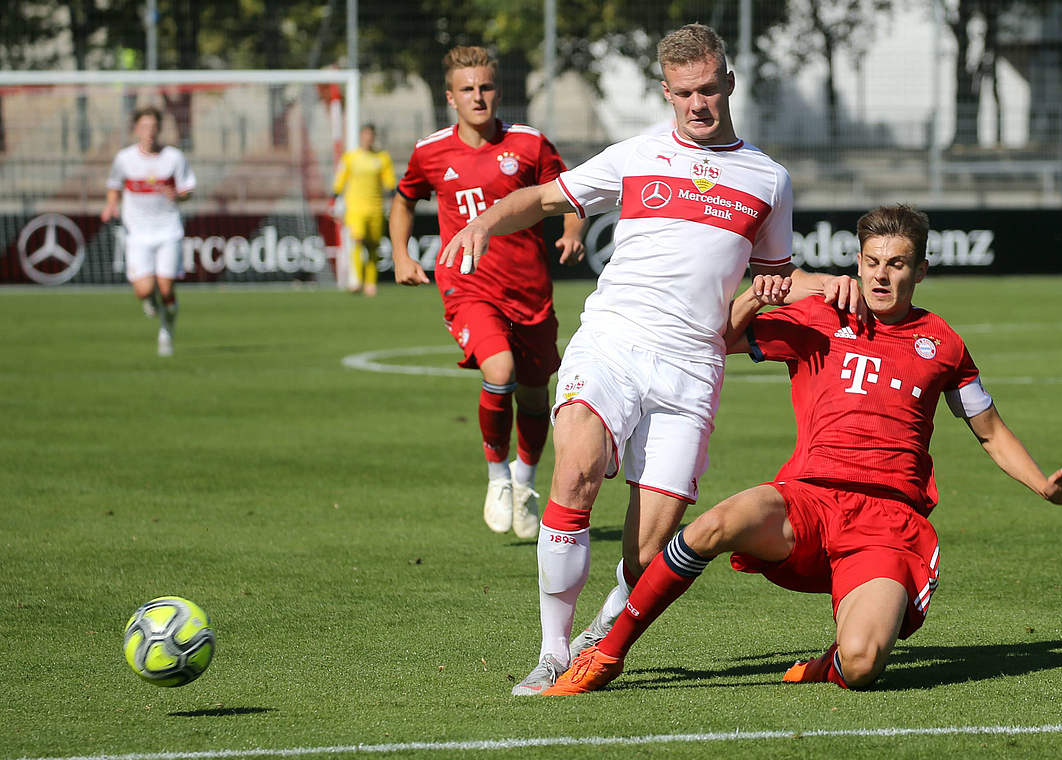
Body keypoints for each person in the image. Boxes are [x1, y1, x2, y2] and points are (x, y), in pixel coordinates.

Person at [437, 24, 860, 695]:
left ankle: (602, 629)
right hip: (611, 341)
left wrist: (780, 292)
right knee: (574, 475)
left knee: (647, 554)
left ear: (728, 84)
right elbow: (546, 199)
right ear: (667, 92)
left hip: (691, 370)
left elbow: (770, 280)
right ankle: (551, 652)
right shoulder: (635, 155)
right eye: (684, 92)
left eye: (708, 89)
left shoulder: (769, 181)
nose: (698, 103)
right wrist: (486, 221)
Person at [543, 204, 1062, 695]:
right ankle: (606, 654)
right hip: (806, 502)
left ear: (921, 270)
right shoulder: (822, 316)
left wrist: (1045, 488)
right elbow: (720, 342)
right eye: (873, 262)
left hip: (888, 522)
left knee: (863, 665)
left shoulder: (944, 344)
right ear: (858, 262)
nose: (881, 275)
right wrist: (757, 298)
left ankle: (827, 666)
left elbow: (990, 430)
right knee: (712, 525)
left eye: (897, 264)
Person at [390, 46, 586, 541]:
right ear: (450, 96)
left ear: (498, 90)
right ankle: (497, 477)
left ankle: (523, 482)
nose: (478, 97)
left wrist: (573, 230)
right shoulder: (430, 151)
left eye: (486, 87)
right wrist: (400, 255)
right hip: (468, 284)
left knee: (535, 394)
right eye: (467, 89)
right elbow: (404, 199)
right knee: (499, 370)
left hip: (530, 290)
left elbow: (569, 193)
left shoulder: (529, 144)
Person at [101, 105, 196, 357]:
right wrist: (111, 204)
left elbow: (189, 190)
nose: (149, 132)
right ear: (135, 129)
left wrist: (177, 195)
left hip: (168, 230)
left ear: (159, 130)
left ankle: (166, 330)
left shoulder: (173, 157)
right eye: (144, 127)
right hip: (137, 232)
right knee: (144, 290)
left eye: (153, 127)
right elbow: (113, 185)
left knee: (166, 288)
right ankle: (150, 301)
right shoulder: (124, 159)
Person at [332, 123, 396, 296]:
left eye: (371, 135)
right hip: (355, 208)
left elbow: (390, 182)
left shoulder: (382, 158)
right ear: (361, 136)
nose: (368, 138)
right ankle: (356, 280)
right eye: (365, 135)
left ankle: (370, 283)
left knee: (373, 246)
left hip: (376, 207)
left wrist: (394, 201)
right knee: (358, 240)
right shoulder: (350, 157)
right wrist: (334, 197)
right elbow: (341, 179)